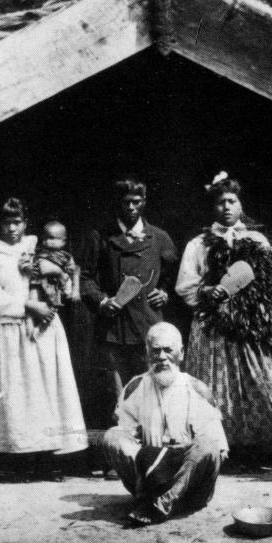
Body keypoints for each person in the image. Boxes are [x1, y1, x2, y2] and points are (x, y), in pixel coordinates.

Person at [175, 172, 272, 455]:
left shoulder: (257, 240)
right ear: (212, 207)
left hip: (250, 323)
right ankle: (219, 446)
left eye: (232, 201)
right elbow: (185, 283)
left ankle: (257, 449)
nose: (226, 207)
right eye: (220, 202)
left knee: (257, 381)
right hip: (212, 324)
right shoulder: (199, 244)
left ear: (241, 205)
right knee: (216, 385)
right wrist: (207, 292)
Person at [0, 197, 88, 475]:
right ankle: (16, 460)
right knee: (17, 393)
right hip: (11, 331)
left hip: (45, 328)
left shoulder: (39, 249)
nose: (13, 228)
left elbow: (63, 275)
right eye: (7, 222)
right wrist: (27, 304)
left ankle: (47, 459)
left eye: (18, 222)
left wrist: (54, 296)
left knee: (46, 390)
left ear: (25, 223)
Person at [102, 323, 228, 525]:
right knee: (113, 437)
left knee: (208, 446)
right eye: (155, 351)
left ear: (181, 353)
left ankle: (165, 501)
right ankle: (154, 499)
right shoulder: (135, 387)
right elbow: (126, 434)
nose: (161, 357)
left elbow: (218, 450)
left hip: (191, 486)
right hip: (150, 479)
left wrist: (181, 455)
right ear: (146, 353)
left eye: (168, 350)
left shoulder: (197, 389)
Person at [81, 177, 178, 424]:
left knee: (153, 386)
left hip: (147, 323)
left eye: (137, 202)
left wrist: (165, 291)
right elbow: (86, 278)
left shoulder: (159, 237)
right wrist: (102, 301)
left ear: (144, 202)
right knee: (119, 395)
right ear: (118, 203)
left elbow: (173, 273)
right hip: (114, 327)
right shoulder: (100, 236)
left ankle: (154, 444)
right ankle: (122, 448)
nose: (132, 208)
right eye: (126, 202)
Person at [26, 220, 80, 339]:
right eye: (44, 237)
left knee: (51, 309)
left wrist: (75, 290)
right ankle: (29, 327)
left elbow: (75, 271)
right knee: (32, 299)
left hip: (53, 288)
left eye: (51, 238)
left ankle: (40, 329)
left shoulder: (65, 256)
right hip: (37, 284)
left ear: (63, 241)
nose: (46, 241)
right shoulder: (39, 251)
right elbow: (30, 261)